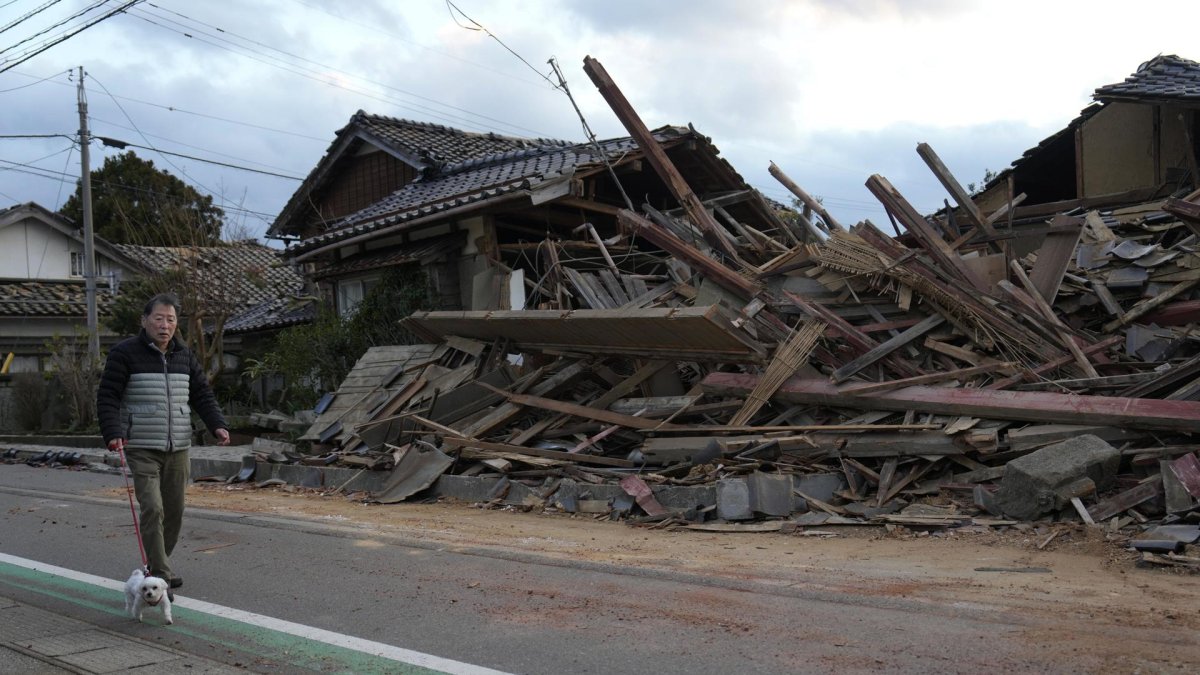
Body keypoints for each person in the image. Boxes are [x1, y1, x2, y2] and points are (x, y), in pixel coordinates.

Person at [97, 293, 230, 591]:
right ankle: (160, 574)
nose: (165, 325)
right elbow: (108, 396)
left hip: (178, 445)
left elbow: (202, 394)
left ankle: (158, 565)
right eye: (158, 318)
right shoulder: (124, 353)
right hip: (141, 444)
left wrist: (218, 425)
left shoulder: (184, 355)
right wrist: (113, 431)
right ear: (144, 321)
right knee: (153, 508)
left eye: (170, 319)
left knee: (174, 511)